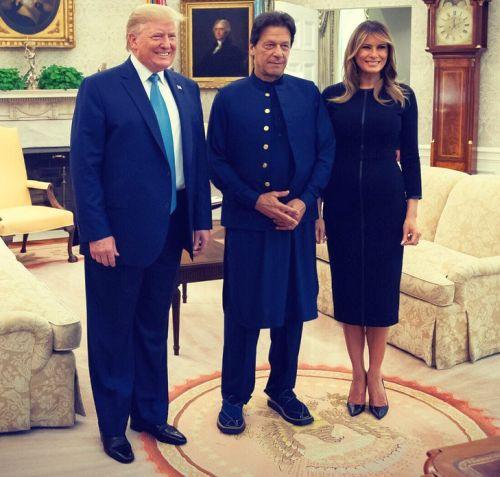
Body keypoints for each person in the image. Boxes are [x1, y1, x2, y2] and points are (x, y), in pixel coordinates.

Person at [70, 4, 211, 464]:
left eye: (172, 38)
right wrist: (96, 232)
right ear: (133, 40)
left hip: (170, 231)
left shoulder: (186, 90)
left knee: (152, 329)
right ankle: (113, 429)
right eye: (158, 37)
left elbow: (195, 161)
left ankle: (149, 413)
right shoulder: (100, 89)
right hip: (116, 237)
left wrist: (199, 221)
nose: (168, 45)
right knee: (113, 332)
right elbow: (85, 168)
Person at [208, 11, 335, 435]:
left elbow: (325, 154)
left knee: (290, 312)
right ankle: (233, 398)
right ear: (252, 48)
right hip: (248, 223)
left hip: (294, 225)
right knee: (242, 313)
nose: (277, 52)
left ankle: (282, 389)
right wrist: (254, 200)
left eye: (284, 45)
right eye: (269, 45)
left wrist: (304, 202)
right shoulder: (229, 98)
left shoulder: (307, 93)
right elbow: (215, 161)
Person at [319, 20, 421, 420]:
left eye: (381, 47)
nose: (374, 54)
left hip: (387, 205)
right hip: (342, 205)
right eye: (366, 48)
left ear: (388, 53)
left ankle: (376, 376)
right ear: (353, 52)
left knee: (379, 292)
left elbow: (410, 157)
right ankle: (356, 375)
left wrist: (412, 211)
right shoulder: (332, 98)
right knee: (348, 291)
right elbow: (323, 156)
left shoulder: (402, 98)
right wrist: (319, 211)